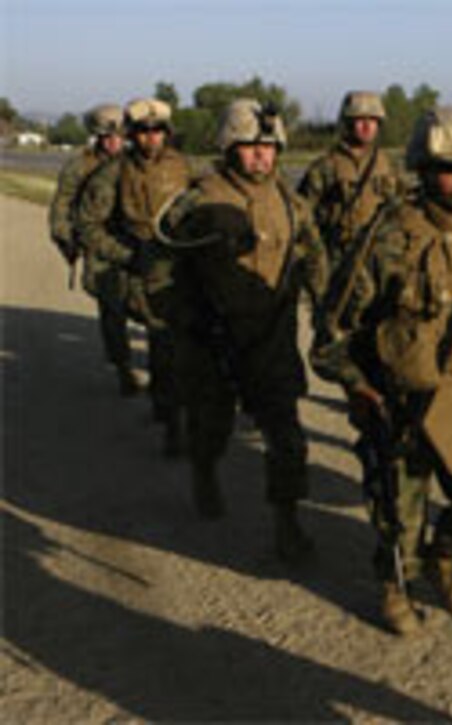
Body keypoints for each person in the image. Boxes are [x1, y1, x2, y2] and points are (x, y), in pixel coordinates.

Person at [310, 106, 452, 635]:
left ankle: (446, 559)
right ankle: (396, 584)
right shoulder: (387, 238)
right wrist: (360, 388)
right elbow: (332, 332)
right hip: (398, 404)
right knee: (399, 518)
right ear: (425, 169)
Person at [157, 99, 328, 562]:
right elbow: (161, 268)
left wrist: (329, 310)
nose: (261, 156)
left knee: (287, 438)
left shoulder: (291, 203)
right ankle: (204, 470)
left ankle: (287, 523)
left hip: (270, 338)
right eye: (251, 147)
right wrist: (182, 320)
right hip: (211, 341)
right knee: (211, 428)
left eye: (269, 147)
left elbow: (315, 258)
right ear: (229, 148)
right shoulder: (199, 200)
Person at [77, 98, 194, 454]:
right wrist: (126, 255)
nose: (151, 137)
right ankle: (172, 421)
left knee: (190, 347)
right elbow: (89, 225)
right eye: (143, 131)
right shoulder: (113, 173)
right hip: (144, 273)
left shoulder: (184, 167)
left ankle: (178, 409)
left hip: (185, 268)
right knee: (164, 345)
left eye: (157, 130)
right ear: (131, 134)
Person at [49, 103, 138, 396]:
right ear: (98, 137)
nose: (114, 143)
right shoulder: (80, 166)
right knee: (112, 311)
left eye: (119, 137)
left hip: (134, 243)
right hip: (98, 245)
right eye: (107, 137)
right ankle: (123, 366)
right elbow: (61, 206)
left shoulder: (135, 162)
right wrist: (66, 238)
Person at [297, 91, 400, 269]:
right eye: (360, 119)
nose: (367, 126)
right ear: (348, 123)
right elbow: (302, 214)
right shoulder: (326, 166)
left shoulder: (388, 165)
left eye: (372, 120)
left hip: (380, 258)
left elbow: (403, 209)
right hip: (338, 258)